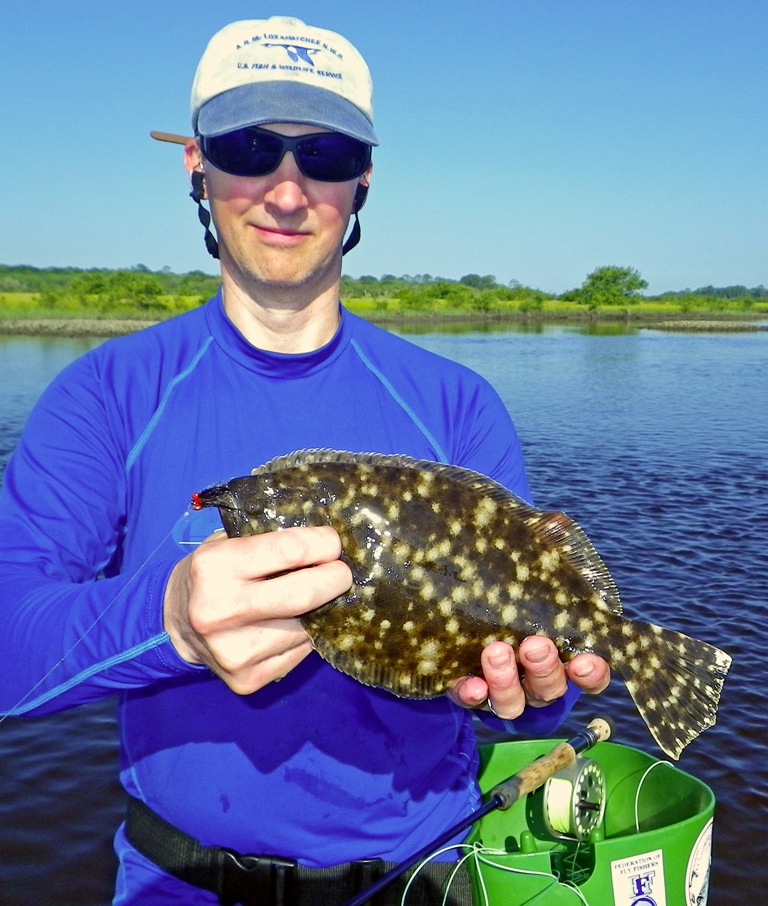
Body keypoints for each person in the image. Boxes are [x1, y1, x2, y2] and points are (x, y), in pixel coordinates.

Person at [0, 16, 609, 906]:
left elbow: (527, 689)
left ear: (363, 177)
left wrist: (538, 689)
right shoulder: (106, 396)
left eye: (322, 156)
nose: (287, 191)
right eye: (250, 148)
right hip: (180, 880)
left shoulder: (455, 404)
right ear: (197, 165)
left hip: (421, 874)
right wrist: (167, 615)